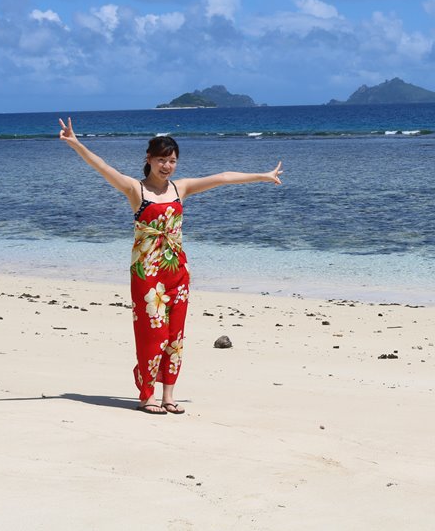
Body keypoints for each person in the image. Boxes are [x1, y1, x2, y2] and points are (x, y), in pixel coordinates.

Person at [58, 117, 283, 415]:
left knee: (175, 336)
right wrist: (76, 144)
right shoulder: (135, 190)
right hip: (147, 273)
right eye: (162, 159)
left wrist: (263, 176)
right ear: (149, 160)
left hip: (177, 270)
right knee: (154, 334)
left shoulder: (181, 188)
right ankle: (146, 393)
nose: (167, 166)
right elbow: (102, 167)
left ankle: (168, 395)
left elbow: (223, 177)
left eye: (172, 160)